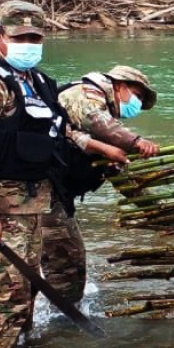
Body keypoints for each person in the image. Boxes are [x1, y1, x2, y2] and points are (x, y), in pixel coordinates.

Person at [0, 0, 127, 348]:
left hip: (31, 208)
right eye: (20, 38)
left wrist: (98, 147)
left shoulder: (35, 81)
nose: (29, 44)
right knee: (3, 300)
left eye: (35, 37)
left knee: (24, 291)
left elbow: (58, 129)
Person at [41, 65, 161, 304]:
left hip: (53, 193)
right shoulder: (85, 94)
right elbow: (96, 120)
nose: (137, 104)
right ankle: (61, 315)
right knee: (67, 259)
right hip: (38, 191)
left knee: (64, 257)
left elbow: (121, 178)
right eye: (136, 95)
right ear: (120, 85)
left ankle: (56, 308)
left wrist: (158, 210)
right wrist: (137, 142)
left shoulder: (104, 123)